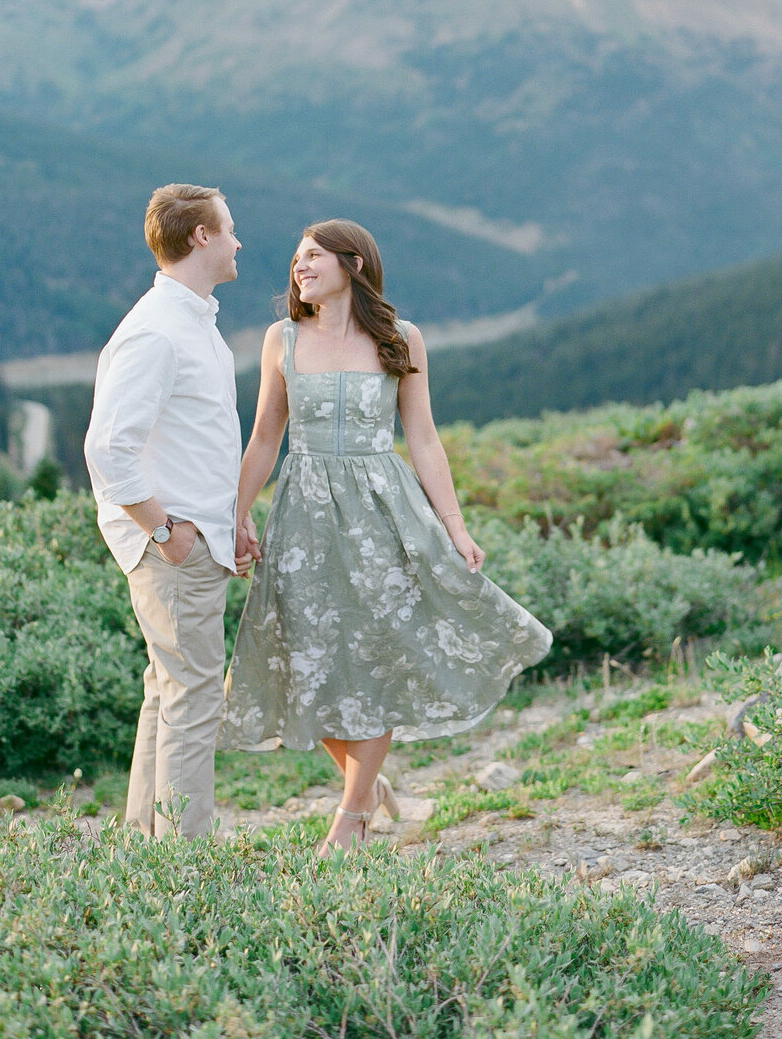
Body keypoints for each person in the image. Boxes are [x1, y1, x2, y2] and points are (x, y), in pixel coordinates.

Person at [221, 218, 551, 854]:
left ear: (354, 264)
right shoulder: (280, 339)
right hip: (303, 514)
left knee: (375, 658)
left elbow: (423, 438)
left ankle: (351, 817)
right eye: (296, 259)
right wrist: (236, 516)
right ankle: (365, 783)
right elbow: (265, 437)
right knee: (303, 658)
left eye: (313, 256)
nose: (299, 267)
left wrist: (455, 526)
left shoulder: (402, 339)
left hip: (383, 513)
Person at [84, 183, 246, 838]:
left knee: (169, 689)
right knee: (194, 698)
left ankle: (144, 846)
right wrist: (164, 530)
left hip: (195, 534)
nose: (240, 241)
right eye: (230, 228)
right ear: (201, 236)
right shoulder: (154, 331)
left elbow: (195, 442)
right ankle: (185, 864)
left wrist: (231, 516)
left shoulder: (192, 323)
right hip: (174, 545)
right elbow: (108, 447)